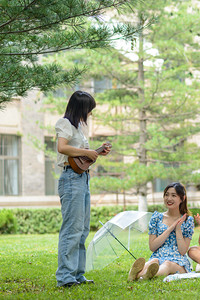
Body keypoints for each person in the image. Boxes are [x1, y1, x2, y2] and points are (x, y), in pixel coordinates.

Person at [55, 91, 111, 287]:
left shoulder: (78, 128)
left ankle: (77, 274)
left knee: (82, 230)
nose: (89, 113)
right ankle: (65, 277)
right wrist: (87, 151)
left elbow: (80, 157)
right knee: (71, 229)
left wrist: (96, 152)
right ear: (80, 107)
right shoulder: (65, 124)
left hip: (82, 178)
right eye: (88, 109)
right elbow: (62, 148)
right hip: (70, 178)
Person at [128, 182, 194, 281]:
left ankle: (142, 276)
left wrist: (178, 229)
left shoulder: (187, 220)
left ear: (182, 198)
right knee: (153, 261)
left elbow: (182, 251)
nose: (169, 198)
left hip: (178, 261)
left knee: (167, 264)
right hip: (158, 256)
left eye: (173, 195)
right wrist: (170, 228)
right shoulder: (157, 218)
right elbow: (153, 247)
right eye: (166, 195)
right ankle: (135, 274)